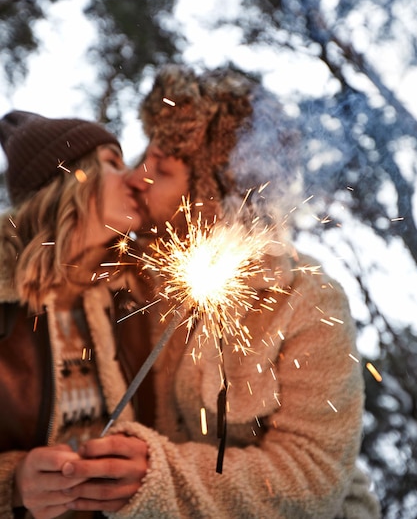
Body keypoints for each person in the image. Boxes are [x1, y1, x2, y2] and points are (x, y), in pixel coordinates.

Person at [74, 63, 379, 519]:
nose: (138, 178)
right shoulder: (134, 275)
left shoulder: (307, 300)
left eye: (161, 169)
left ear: (210, 197)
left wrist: (161, 475)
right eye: (143, 158)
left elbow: (313, 477)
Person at [0, 110, 156, 519]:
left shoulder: (137, 296)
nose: (137, 179)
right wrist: (12, 484)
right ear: (69, 180)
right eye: (111, 163)